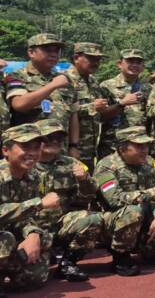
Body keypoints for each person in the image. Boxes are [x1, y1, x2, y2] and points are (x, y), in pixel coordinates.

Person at [94, 126, 155, 275]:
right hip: (114, 222)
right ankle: (120, 256)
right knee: (133, 211)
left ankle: (140, 247)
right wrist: (153, 192)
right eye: (139, 146)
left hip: (143, 221)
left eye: (146, 145)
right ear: (122, 148)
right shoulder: (106, 166)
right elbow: (114, 200)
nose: (145, 149)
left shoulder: (148, 163)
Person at [34, 119, 101, 282]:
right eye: (50, 137)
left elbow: (87, 198)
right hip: (28, 228)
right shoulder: (23, 163)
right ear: (36, 140)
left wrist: (84, 181)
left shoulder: (71, 164)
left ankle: (67, 263)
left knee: (92, 219)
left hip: (58, 225)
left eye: (59, 138)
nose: (55, 141)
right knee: (34, 278)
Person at [0, 123, 60, 292]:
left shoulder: (33, 177)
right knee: (5, 239)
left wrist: (32, 233)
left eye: (36, 147)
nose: (32, 153)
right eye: (25, 147)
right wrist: (38, 204)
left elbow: (25, 217)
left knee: (35, 277)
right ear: (6, 150)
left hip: (9, 237)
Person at [5, 33, 79, 146]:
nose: (53, 54)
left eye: (57, 51)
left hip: (59, 148)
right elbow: (19, 104)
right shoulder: (16, 76)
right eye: (48, 50)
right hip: (30, 149)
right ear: (31, 52)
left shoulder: (65, 79)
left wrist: (74, 145)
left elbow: (73, 115)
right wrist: (52, 86)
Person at [65, 42, 109, 171]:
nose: (95, 62)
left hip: (90, 147)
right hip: (71, 146)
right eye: (91, 58)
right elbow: (63, 111)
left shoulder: (93, 81)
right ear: (76, 58)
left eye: (98, 59)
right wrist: (92, 107)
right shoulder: (64, 79)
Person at [98, 49, 150, 159]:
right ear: (119, 64)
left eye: (138, 62)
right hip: (112, 146)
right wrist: (122, 103)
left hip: (138, 147)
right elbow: (101, 116)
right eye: (130, 61)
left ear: (143, 66)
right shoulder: (107, 86)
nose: (134, 65)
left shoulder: (147, 88)